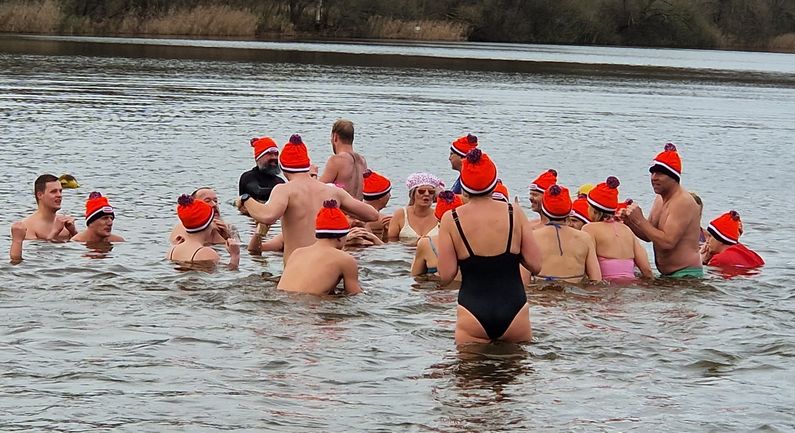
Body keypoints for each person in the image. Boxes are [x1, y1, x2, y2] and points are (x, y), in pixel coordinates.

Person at [437, 149, 542, 344]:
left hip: (472, 309)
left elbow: (446, 275)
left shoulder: (451, 219)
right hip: (514, 308)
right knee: (515, 372)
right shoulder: (515, 213)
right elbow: (536, 265)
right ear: (494, 182)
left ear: (464, 185)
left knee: (468, 373)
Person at [242, 134, 379, 264]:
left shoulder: (284, 189)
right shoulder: (334, 191)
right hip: (328, 270)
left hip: (297, 272)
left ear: (283, 168)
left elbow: (267, 216)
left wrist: (245, 199)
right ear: (307, 166)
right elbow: (372, 215)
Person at [621, 143, 703, 277]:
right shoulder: (660, 199)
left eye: (660, 174)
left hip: (687, 275)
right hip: (669, 275)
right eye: (652, 173)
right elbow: (649, 235)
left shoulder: (682, 202)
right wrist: (629, 222)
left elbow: (667, 242)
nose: (654, 178)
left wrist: (640, 220)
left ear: (673, 178)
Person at [277, 200, 362, 295]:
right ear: (340, 237)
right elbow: (354, 294)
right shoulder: (345, 259)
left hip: (284, 299)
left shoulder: (297, 252)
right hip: (312, 306)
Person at [581, 177, 652, 281]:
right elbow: (647, 271)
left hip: (608, 288)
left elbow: (585, 265)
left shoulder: (589, 229)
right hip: (630, 285)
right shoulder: (626, 230)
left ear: (594, 210)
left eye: (588, 206)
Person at [533, 184, 601, 283]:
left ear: (544, 209)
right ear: (569, 209)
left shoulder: (533, 237)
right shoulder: (585, 238)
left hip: (542, 294)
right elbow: (596, 280)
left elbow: (523, 281)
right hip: (575, 294)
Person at [10, 174, 78, 261]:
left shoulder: (65, 223)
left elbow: (79, 248)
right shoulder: (28, 227)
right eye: (53, 192)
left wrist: (73, 232)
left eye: (60, 191)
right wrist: (54, 232)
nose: (59, 195)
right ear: (40, 195)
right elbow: (32, 259)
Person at [167, 195, 240, 269]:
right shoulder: (207, 253)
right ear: (208, 225)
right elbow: (227, 274)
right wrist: (235, 255)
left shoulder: (172, 250)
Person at [412, 190, 463, 277]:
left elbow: (415, 277)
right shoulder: (475, 240)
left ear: (436, 217)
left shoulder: (426, 243)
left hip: (438, 289)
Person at [319, 119, 367, 199]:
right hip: (358, 210)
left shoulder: (337, 160)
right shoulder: (362, 161)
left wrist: (312, 175)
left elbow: (318, 189)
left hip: (341, 210)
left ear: (335, 137)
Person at [387, 173, 443, 242]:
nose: (426, 194)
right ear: (413, 194)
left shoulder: (440, 216)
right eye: (421, 191)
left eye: (431, 192)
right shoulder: (400, 214)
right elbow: (391, 244)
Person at [238, 136, 285, 202]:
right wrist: (286, 191)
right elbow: (257, 192)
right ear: (258, 158)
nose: (274, 157)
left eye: (276, 154)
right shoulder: (248, 177)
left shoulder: (280, 182)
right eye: (270, 154)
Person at [362, 169, 393, 241]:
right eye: (388, 193)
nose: (390, 196)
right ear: (381, 198)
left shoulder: (353, 214)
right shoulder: (384, 220)